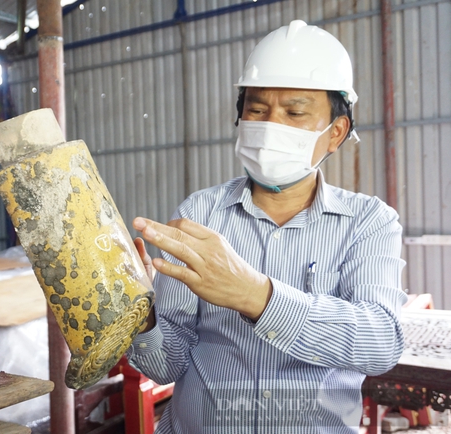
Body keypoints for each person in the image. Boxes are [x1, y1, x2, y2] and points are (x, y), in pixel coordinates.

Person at [127, 20, 407, 433]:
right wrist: (142, 318)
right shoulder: (200, 214)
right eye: (257, 109)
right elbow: (167, 364)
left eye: (295, 112)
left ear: (336, 133)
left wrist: (257, 296)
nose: (270, 125)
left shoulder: (369, 222)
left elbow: (380, 343)